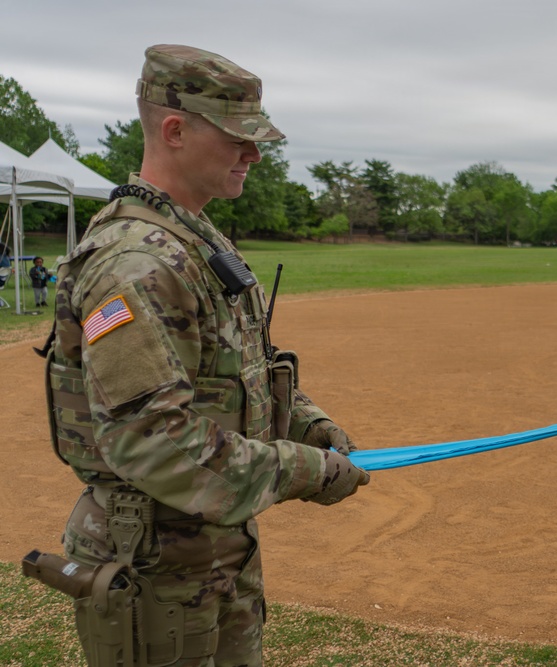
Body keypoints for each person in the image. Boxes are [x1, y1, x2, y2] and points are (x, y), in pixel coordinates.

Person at [41, 44, 369, 666]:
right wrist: (303, 468)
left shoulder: (195, 236)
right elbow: (151, 439)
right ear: (174, 130)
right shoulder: (137, 263)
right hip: (154, 565)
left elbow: (233, 370)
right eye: (239, 137)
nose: (255, 153)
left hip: (212, 544)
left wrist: (307, 422)